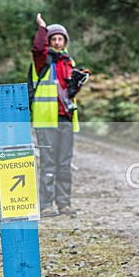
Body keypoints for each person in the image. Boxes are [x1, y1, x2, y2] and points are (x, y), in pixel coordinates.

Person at [29, 13, 89, 217]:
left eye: (60, 39)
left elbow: (68, 92)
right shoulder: (42, 60)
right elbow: (37, 48)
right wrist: (42, 28)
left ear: (65, 41)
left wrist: (76, 84)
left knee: (64, 164)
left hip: (66, 119)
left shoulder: (69, 62)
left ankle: (64, 204)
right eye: (53, 39)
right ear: (49, 41)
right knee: (48, 163)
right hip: (46, 120)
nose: (56, 42)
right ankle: (46, 206)